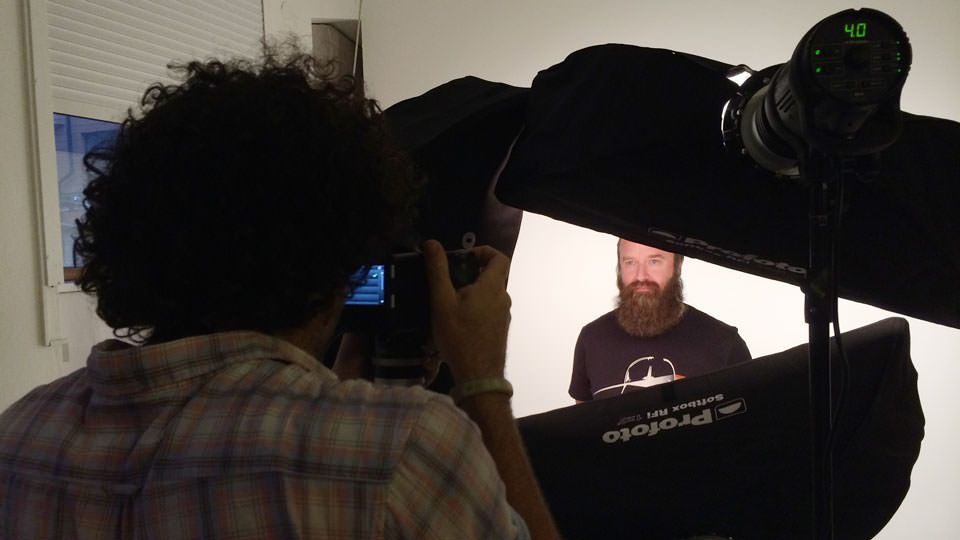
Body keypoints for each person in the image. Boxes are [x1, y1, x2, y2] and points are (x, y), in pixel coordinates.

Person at [0, 45, 558, 539]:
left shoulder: (23, 434)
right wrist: (483, 382)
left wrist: (337, 384)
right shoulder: (403, 446)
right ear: (339, 248)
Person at [569, 238, 752, 402]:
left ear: (678, 266)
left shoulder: (725, 343)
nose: (641, 276)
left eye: (654, 261)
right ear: (619, 268)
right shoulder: (592, 339)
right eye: (630, 262)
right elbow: (585, 427)